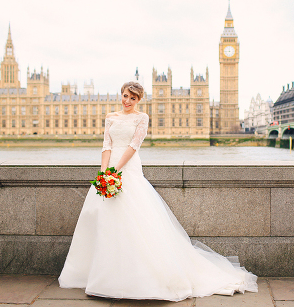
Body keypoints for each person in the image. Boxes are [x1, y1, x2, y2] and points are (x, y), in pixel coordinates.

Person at [58, 81, 258, 301]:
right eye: (125, 96)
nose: (127, 101)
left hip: (128, 168)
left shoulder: (142, 118)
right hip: (108, 171)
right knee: (105, 222)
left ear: (139, 100)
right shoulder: (110, 117)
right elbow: (106, 145)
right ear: (121, 95)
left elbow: (133, 147)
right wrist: (104, 172)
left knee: (134, 223)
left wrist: (116, 170)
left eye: (132, 98)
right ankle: (102, 276)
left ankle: (135, 278)